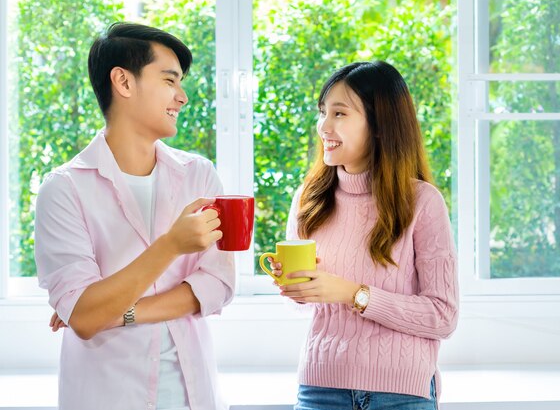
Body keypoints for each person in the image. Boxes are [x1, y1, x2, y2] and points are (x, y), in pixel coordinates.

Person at [35, 22, 234, 410]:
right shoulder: (63, 190)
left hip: (193, 394)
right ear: (123, 83)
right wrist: (171, 246)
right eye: (169, 80)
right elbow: (85, 315)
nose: (183, 96)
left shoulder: (199, 175)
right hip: (106, 395)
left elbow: (218, 284)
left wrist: (114, 312)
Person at [271, 61, 459, 409]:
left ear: (379, 125)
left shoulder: (422, 202)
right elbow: (303, 308)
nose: (324, 126)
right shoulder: (309, 199)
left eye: (340, 114)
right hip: (320, 388)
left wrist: (354, 294)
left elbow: (443, 315)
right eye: (323, 112)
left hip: (401, 394)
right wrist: (297, 290)